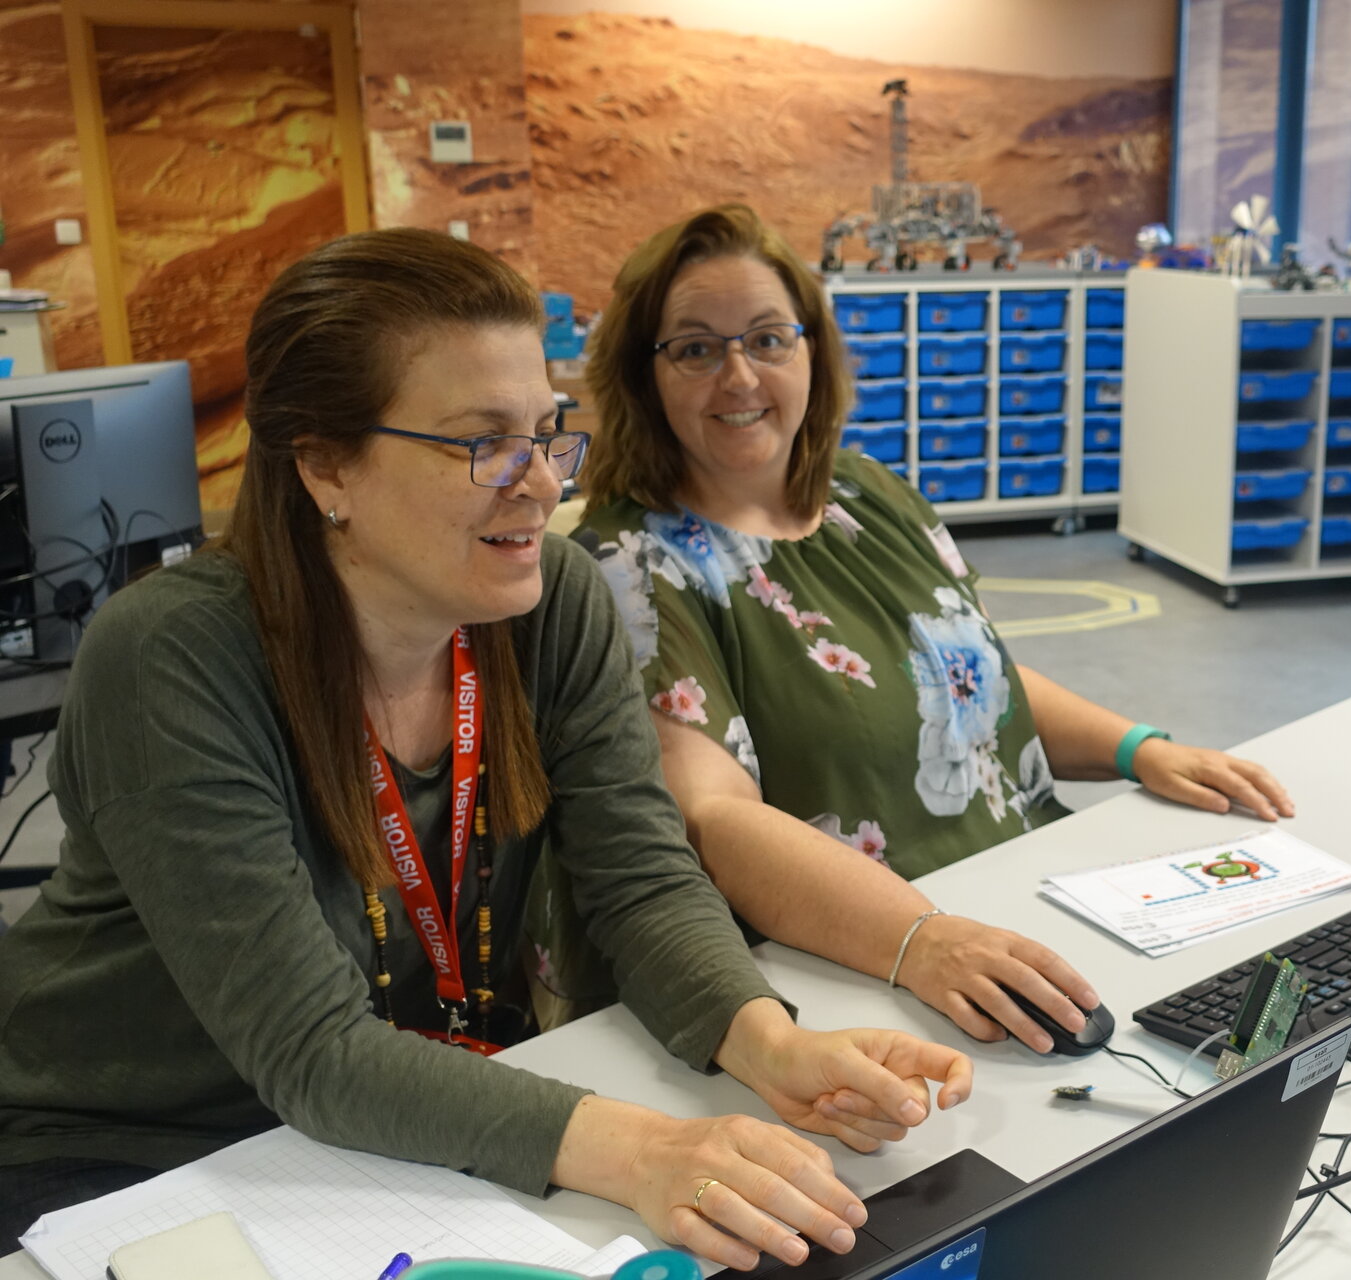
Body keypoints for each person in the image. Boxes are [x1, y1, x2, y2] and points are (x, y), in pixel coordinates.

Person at [0, 228, 973, 1274]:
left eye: (549, 433)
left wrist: (772, 1045)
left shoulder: (554, 610)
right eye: (482, 442)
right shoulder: (174, 655)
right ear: (326, 463)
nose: (544, 485)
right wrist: (653, 1147)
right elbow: (310, 1049)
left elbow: (639, 880)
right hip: (132, 1154)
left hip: (400, 1110)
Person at [537, 204, 1293, 1055]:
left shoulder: (869, 497)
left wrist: (1139, 750)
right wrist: (921, 940)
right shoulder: (633, 566)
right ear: (645, 376)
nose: (741, 377)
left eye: (768, 339)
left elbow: (974, 676)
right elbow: (713, 821)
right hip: (876, 968)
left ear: (812, 352)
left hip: (1032, 911)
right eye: (696, 348)